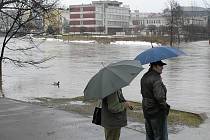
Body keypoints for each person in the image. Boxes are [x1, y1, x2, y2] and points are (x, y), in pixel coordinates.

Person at [140, 60, 170, 140]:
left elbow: (143, 93)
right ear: (155, 66)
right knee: (160, 136)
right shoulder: (156, 78)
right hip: (157, 112)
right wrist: (165, 107)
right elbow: (159, 97)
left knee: (150, 135)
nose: (162, 67)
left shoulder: (144, 76)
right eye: (160, 65)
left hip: (147, 110)